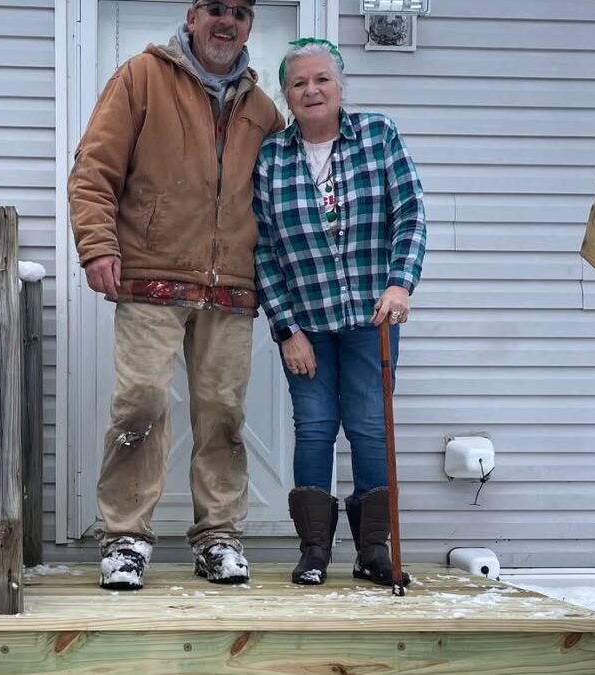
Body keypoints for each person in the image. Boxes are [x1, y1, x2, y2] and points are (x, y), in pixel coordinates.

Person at [68, 0, 284, 590]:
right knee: (140, 403)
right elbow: (93, 171)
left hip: (233, 288)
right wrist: (97, 245)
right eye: (215, 8)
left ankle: (219, 537)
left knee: (223, 416)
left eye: (240, 12)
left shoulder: (264, 110)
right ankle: (126, 539)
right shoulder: (141, 77)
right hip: (151, 277)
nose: (226, 21)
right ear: (191, 16)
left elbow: (281, 202)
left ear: (250, 26)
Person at [253, 38, 426, 587]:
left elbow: (411, 215)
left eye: (321, 79)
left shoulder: (377, 136)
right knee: (315, 431)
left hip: (370, 321)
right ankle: (314, 553)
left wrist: (401, 283)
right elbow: (262, 250)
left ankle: (373, 551)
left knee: (371, 430)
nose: (311, 90)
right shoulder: (272, 158)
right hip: (306, 326)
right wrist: (285, 330)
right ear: (286, 95)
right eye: (299, 83)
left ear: (340, 85)